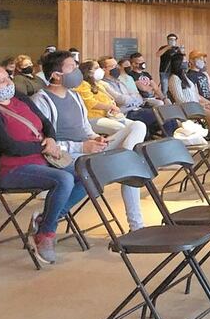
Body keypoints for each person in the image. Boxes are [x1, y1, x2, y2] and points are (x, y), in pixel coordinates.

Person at [0, 63, 86, 265]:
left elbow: (45, 123)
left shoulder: (19, 98)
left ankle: (46, 219)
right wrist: (44, 148)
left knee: (88, 173)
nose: (9, 83)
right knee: (63, 179)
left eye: (8, 78)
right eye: (2, 81)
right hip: (11, 169)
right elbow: (10, 147)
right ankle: (46, 233)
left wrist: (51, 139)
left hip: (44, 158)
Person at [32, 51, 146, 231]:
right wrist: (83, 146)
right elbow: (44, 143)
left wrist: (95, 137)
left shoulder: (74, 96)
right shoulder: (41, 100)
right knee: (125, 167)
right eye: (72, 67)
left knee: (138, 126)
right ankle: (136, 226)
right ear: (56, 75)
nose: (77, 70)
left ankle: (125, 158)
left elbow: (84, 127)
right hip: (65, 155)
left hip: (89, 148)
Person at [98, 55, 159, 138]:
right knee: (158, 115)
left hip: (136, 109)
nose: (116, 68)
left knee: (163, 114)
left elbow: (139, 97)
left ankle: (170, 139)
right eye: (112, 66)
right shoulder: (104, 84)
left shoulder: (119, 81)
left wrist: (130, 98)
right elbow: (122, 100)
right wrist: (132, 98)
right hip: (126, 113)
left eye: (116, 66)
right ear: (103, 69)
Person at [167, 52, 210, 135]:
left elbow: (195, 95)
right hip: (187, 108)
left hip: (196, 105)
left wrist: (203, 103)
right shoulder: (174, 78)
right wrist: (198, 105)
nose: (186, 63)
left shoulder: (184, 76)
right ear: (178, 63)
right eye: (184, 61)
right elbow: (180, 99)